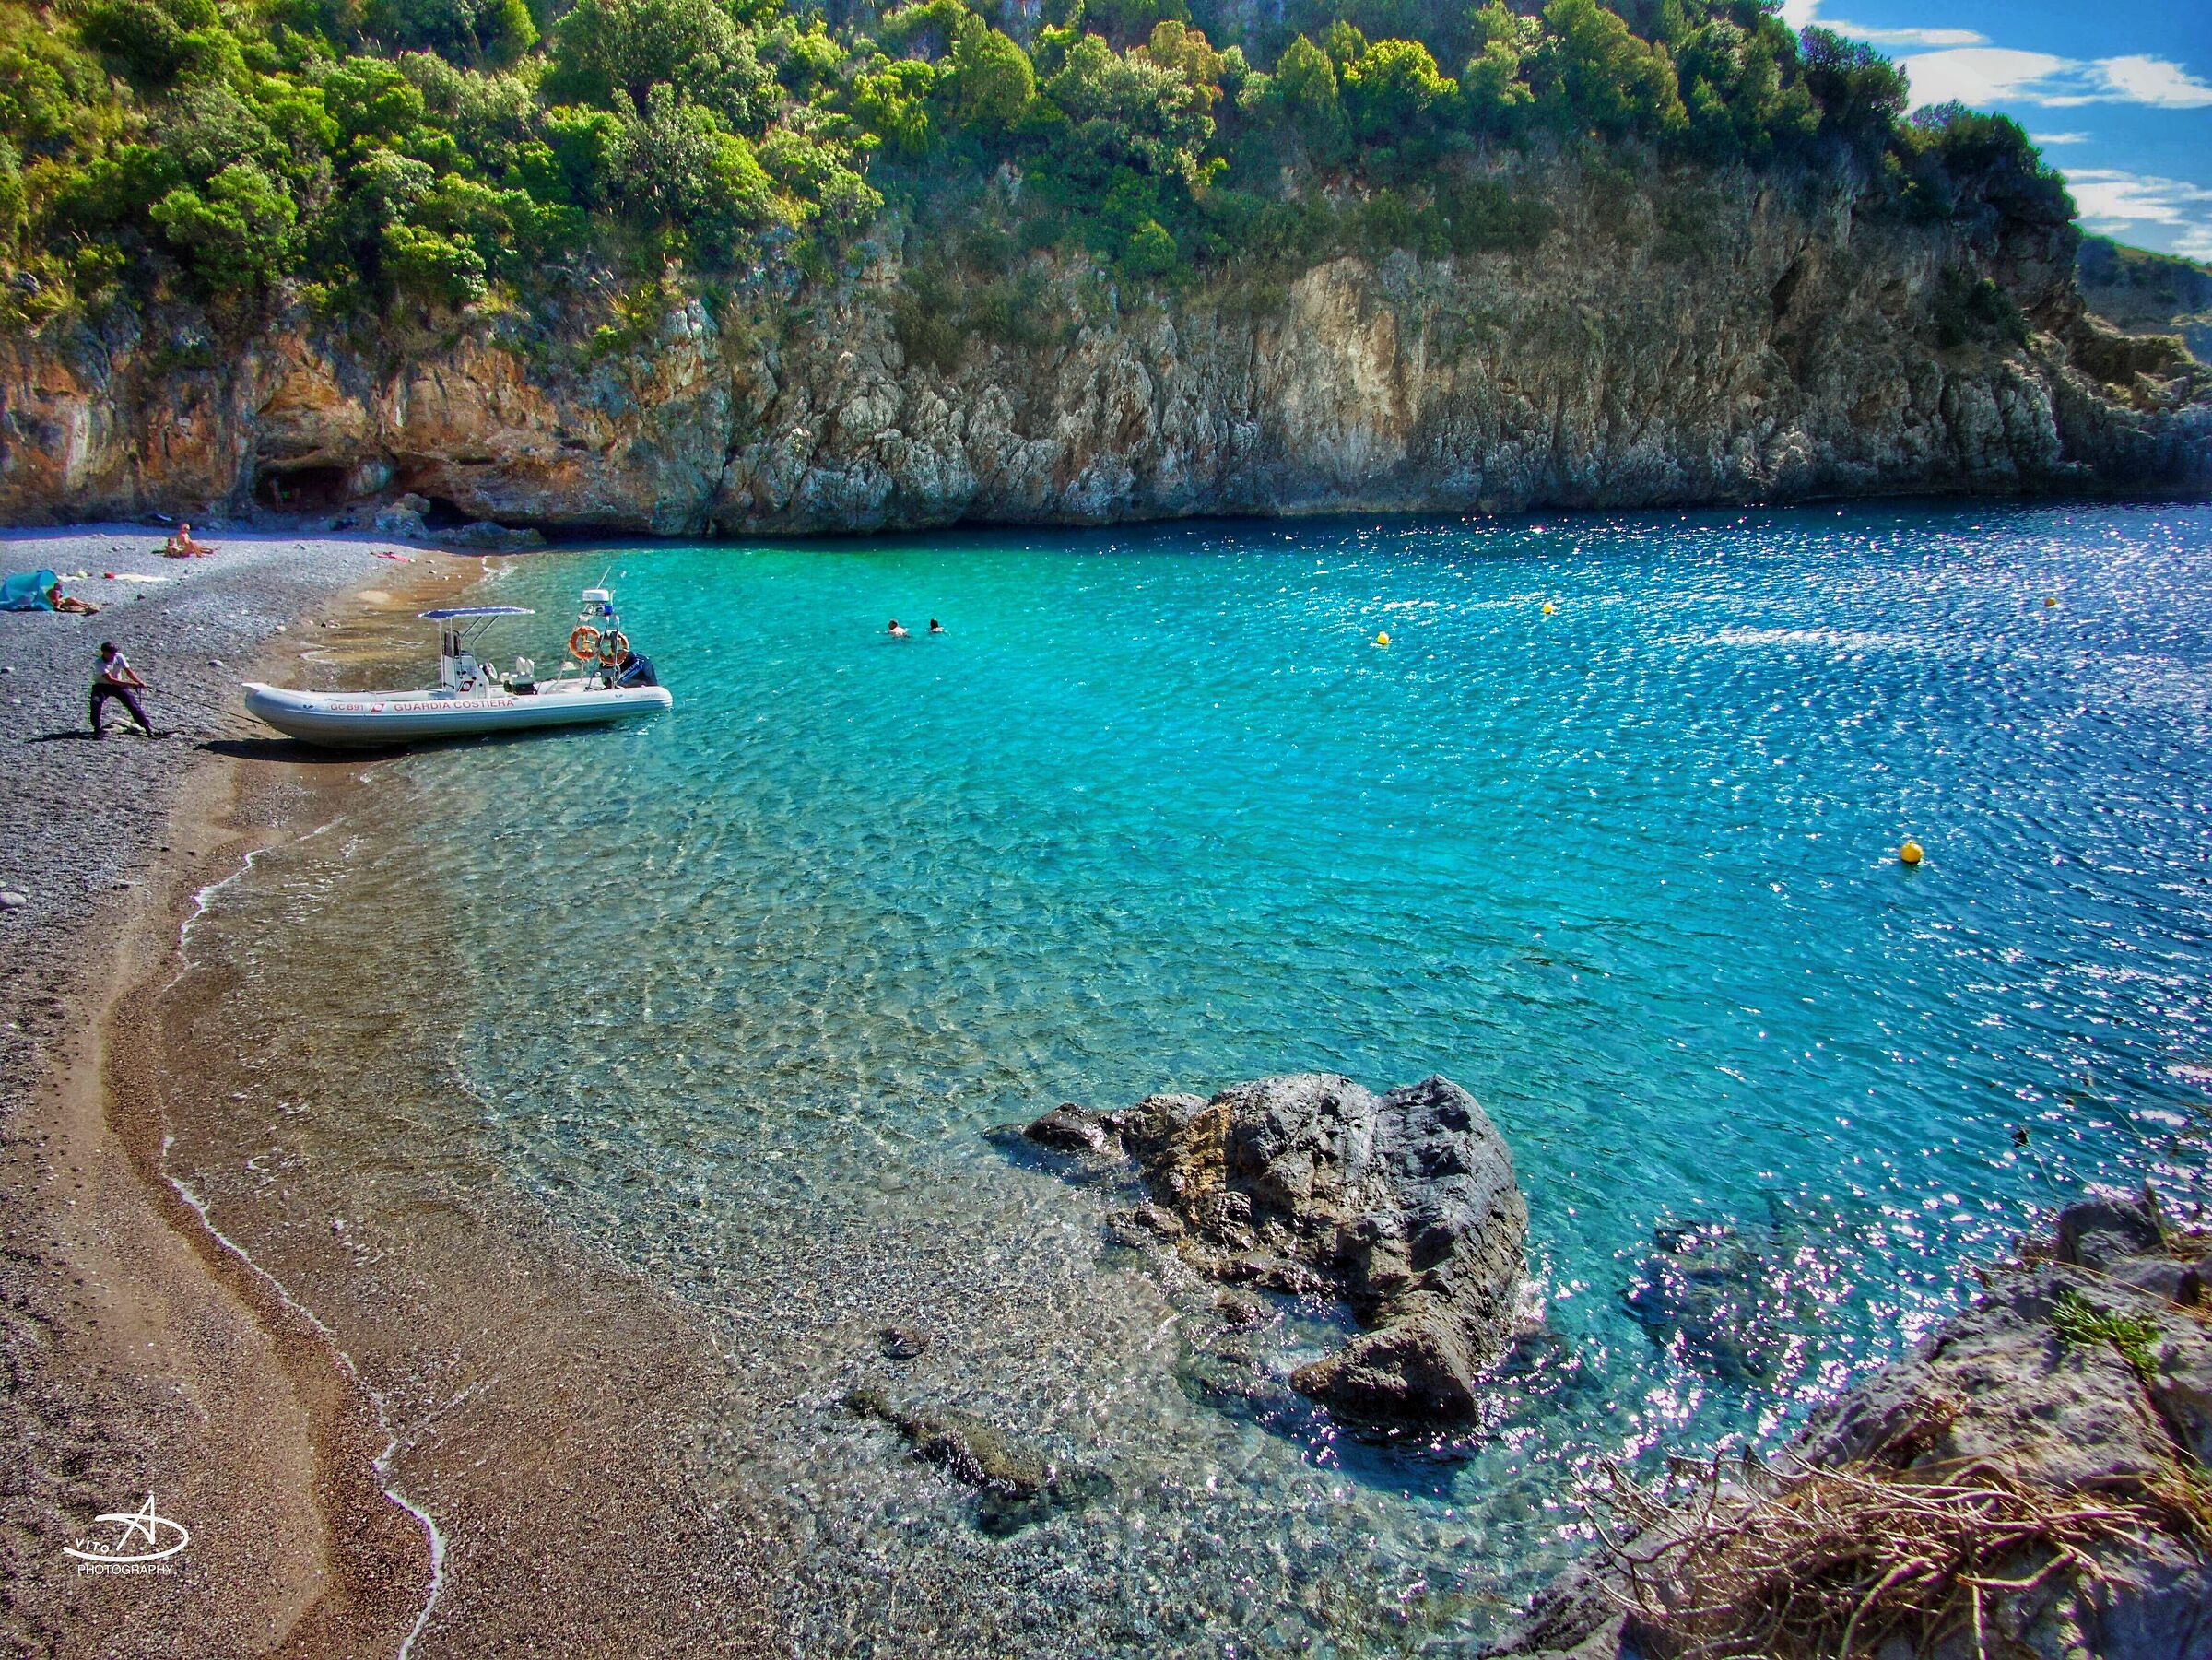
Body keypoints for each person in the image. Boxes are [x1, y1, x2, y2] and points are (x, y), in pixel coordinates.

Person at [90, 642, 155, 737]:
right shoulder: (99, 663)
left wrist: (139, 682)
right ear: (104, 652)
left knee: (132, 704)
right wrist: (132, 684)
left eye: (114, 653)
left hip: (118, 686)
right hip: (102, 686)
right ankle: (97, 729)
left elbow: (128, 671)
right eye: (111, 653)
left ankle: (147, 727)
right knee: (96, 704)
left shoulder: (119, 657)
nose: (113, 655)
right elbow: (111, 680)